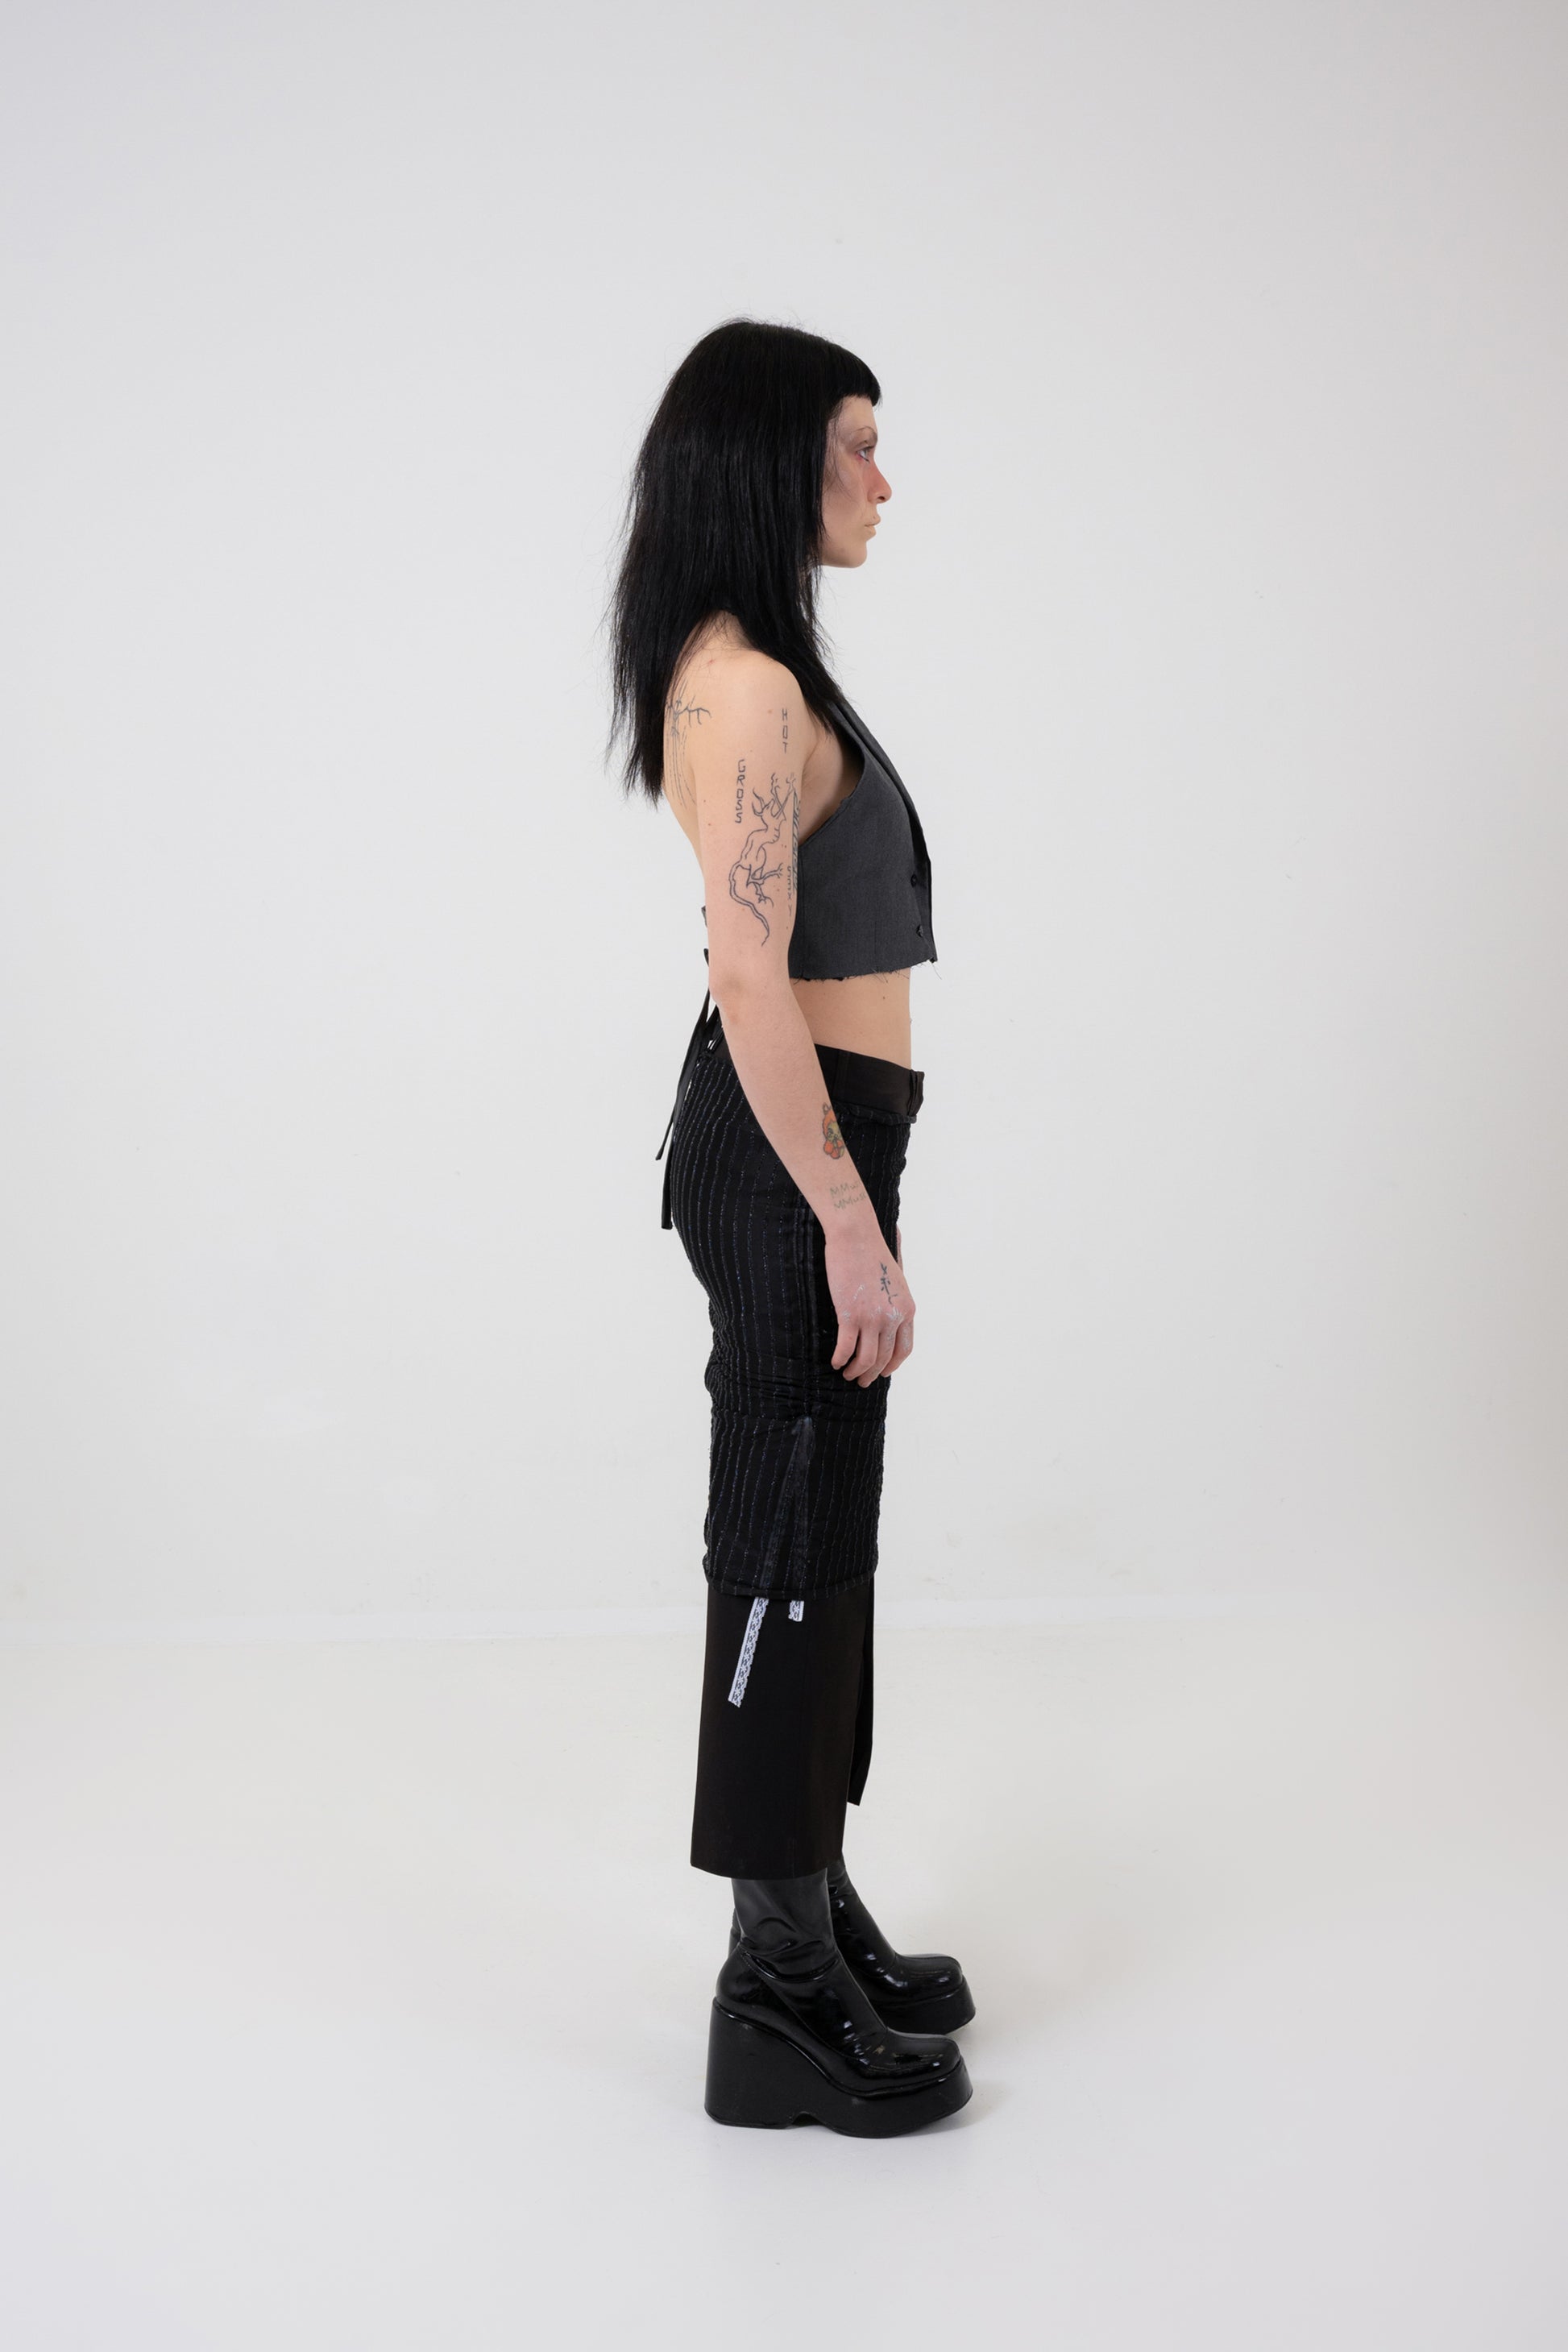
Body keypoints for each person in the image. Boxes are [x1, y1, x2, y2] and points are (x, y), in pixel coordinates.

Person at [612, 320, 974, 2137]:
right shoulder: (741, 686)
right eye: (854, 445)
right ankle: (768, 1989)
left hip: (820, 1135)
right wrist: (843, 1215)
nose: (881, 482)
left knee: (824, 1531)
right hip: (787, 1148)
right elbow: (751, 976)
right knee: (781, 1536)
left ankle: (811, 1908)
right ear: (769, 460)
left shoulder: (754, 670)